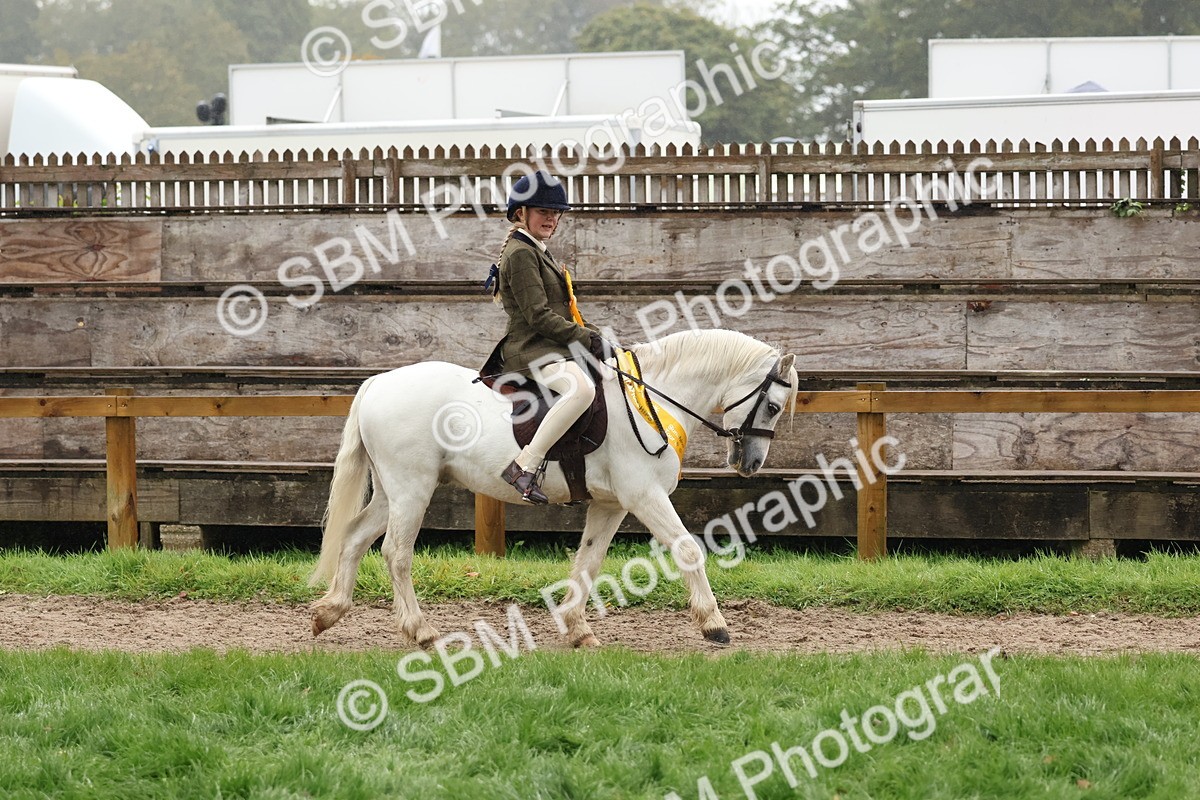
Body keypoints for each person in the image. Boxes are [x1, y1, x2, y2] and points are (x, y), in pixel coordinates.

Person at [487, 170, 611, 505]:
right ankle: (524, 466)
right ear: (521, 213)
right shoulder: (521, 253)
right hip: (533, 351)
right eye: (543, 211)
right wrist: (586, 340)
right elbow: (539, 317)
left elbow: (564, 309)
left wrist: (596, 336)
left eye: (555, 213)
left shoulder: (537, 250)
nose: (551, 218)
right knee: (581, 389)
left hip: (552, 346)